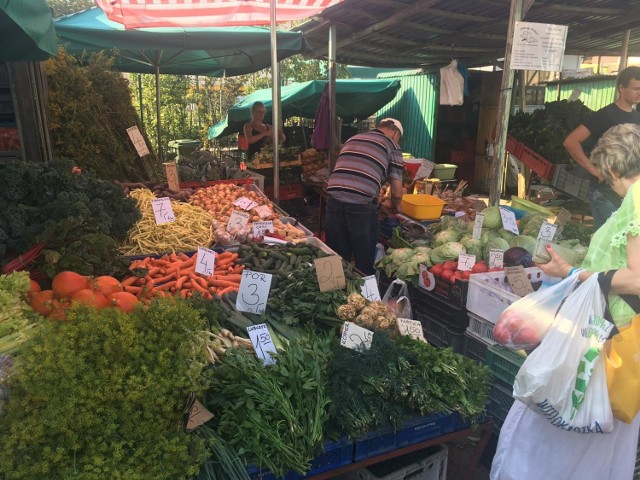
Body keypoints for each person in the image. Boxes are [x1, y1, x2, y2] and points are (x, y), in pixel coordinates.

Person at [490, 123, 640, 480]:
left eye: (607, 176)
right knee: (593, 424)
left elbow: (636, 277)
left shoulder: (636, 200)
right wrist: (572, 272)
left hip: (605, 336)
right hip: (611, 333)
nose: (608, 183)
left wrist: (578, 275)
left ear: (614, 168)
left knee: (557, 416)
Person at [324, 118, 404, 275]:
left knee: (336, 260)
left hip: (333, 199)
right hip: (360, 207)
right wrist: (397, 209)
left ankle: (333, 295)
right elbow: (396, 192)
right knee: (363, 262)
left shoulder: (353, 138)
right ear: (395, 134)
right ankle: (363, 296)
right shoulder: (393, 146)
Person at [563, 66, 640, 228]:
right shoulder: (605, 115)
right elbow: (571, 142)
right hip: (605, 194)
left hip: (630, 196)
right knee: (609, 245)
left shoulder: (637, 117)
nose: (639, 92)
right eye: (636, 88)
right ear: (621, 88)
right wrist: (593, 170)